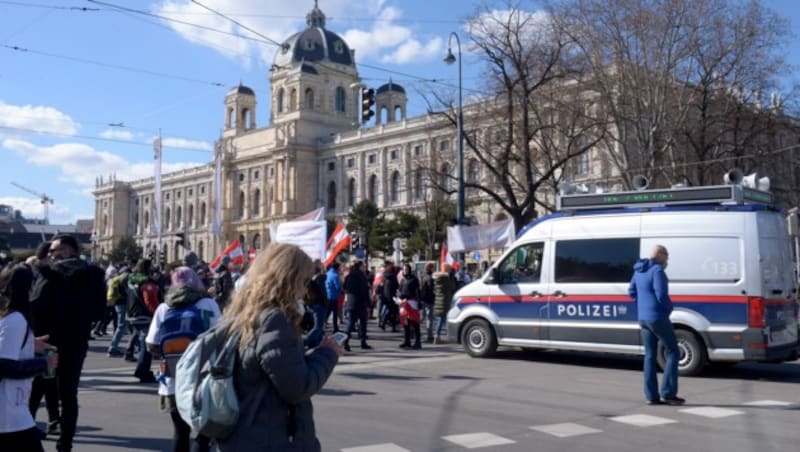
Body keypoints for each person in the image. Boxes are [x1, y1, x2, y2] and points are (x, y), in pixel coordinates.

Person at [217, 243, 343, 451]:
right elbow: (297, 387)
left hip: (246, 431)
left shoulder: (245, 312)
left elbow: (275, 366)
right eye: (303, 281)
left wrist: (314, 353)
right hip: (269, 437)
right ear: (290, 280)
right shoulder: (274, 320)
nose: (305, 290)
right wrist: (328, 354)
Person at [28, 235, 106, 452]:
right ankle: (65, 442)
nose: (52, 254)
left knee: (39, 388)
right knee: (66, 394)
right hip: (74, 341)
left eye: (57, 250)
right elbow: (100, 310)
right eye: (51, 251)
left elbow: (35, 304)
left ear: (71, 250)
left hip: (48, 341)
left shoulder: (49, 274)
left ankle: (27, 436)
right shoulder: (92, 275)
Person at [145, 267, 220, 452]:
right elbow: (222, 335)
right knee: (204, 433)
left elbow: (151, 343)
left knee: (180, 431)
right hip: (204, 375)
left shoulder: (164, 307)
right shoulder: (209, 304)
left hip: (173, 378)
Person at [0, 265, 58, 452]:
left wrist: (29, 344)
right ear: (30, 287)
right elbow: (3, 365)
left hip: (13, 411)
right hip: (9, 413)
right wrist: (43, 364)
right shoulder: (15, 320)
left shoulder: (10, 318)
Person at [628, 244, 685, 406]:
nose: (667, 259)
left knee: (650, 355)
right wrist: (669, 308)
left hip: (643, 318)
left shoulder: (638, 270)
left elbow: (631, 291)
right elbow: (661, 294)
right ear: (659, 255)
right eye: (666, 255)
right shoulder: (657, 271)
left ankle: (651, 396)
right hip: (658, 317)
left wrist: (644, 305)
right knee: (673, 351)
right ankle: (668, 393)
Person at [124, 259, 161, 383]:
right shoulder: (147, 283)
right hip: (145, 316)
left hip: (132, 314)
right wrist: (158, 313)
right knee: (147, 345)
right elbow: (149, 301)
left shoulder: (131, 280)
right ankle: (143, 371)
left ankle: (142, 369)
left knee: (142, 342)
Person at [342, 261, 372, 351]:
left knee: (350, 323)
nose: (364, 267)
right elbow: (364, 291)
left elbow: (344, 287)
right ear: (360, 267)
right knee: (363, 323)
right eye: (363, 266)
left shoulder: (349, 276)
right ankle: (363, 342)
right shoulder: (361, 277)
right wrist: (368, 304)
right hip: (360, 303)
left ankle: (345, 341)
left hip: (351, 302)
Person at [302, 260, 328, 349]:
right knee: (318, 327)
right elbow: (323, 292)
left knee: (315, 327)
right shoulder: (319, 278)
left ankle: (315, 344)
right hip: (318, 305)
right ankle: (304, 343)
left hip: (310, 304)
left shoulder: (306, 279)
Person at [397, 263, 422, 349]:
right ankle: (407, 341)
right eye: (404, 269)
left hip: (412, 302)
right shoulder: (403, 280)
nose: (405, 271)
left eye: (406, 269)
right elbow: (399, 290)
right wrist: (399, 297)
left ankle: (418, 342)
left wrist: (419, 302)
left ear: (409, 270)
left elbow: (417, 291)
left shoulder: (414, 279)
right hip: (404, 302)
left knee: (415, 322)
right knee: (405, 323)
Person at [432, 263, 456, 344]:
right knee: (442, 319)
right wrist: (452, 277)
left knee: (441, 319)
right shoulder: (445, 279)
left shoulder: (438, 278)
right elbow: (452, 286)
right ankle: (437, 336)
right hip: (444, 301)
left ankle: (438, 336)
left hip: (439, 301)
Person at [419, 263, 436, 343]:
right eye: (433, 267)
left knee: (422, 317)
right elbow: (432, 289)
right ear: (430, 268)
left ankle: (414, 332)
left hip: (423, 299)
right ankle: (429, 335)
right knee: (429, 318)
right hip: (429, 300)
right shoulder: (431, 277)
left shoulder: (422, 276)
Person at [325, 262, 342, 333]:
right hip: (334, 296)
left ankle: (322, 324)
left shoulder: (328, 274)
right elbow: (338, 287)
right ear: (338, 268)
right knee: (334, 312)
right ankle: (335, 328)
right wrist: (341, 289)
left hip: (328, 294)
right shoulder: (335, 275)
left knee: (328, 311)